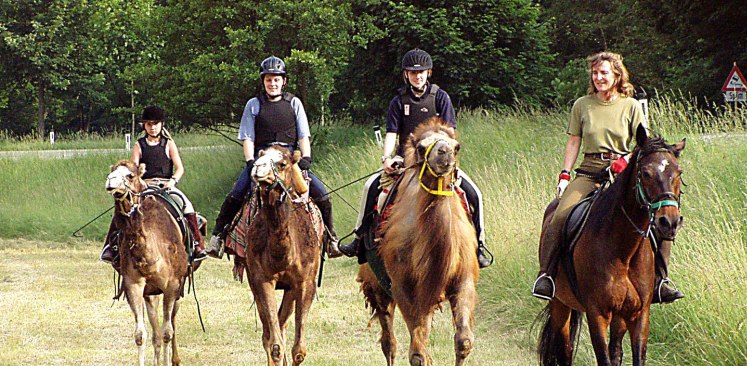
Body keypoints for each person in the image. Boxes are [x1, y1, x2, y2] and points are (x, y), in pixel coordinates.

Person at [531, 52, 683, 304]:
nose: (599, 77)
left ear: (617, 75)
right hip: (590, 170)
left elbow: (643, 144)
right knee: (560, 215)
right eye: (595, 73)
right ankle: (547, 276)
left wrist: (624, 161)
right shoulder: (582, 104)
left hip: (623, 173)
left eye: (604, 73)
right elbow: (574, 141)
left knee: (657, 216)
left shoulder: (631, 105)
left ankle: (661, 281)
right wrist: (565, 174)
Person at [338, 48, 492, 268]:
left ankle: (480, 245)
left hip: (438, 164)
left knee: (474, 193)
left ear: (428, 73)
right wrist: (387, 158)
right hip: (408, 162)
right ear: (406, 75)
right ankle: (359, 239)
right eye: (412, 73)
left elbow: (450, 132)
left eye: (421, 73)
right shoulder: (398, 101)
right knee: (370, 188)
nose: (417, 76)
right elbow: (392, 133)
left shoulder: (440, 97)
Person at [204, 55, 342, 259]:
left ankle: (332, 239)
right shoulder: (253, 104)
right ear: (263, 81)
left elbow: (304, 135)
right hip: (262, 157)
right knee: (237, 193)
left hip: (287, 159)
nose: (273, 83)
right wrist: (250, 162)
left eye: (276, 79)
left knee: (322, 195)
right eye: (268, 79)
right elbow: (248, 138)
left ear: (283, 81)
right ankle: (218, 236)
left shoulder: (294, 103)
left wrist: (306, 158)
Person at [100, 105, 207, 263]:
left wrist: (172, 182)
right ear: (144, 126)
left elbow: (180, 168)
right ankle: (110, 246)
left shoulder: (168, 144)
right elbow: (134, 169)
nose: (152, 127)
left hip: (166, 185)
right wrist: (139, 182)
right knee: (123, 208)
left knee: (186, 205)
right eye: (149, 124)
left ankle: (197, 244)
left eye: (155, 124)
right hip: (146, 185)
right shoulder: (139, 145)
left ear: (161, 124)